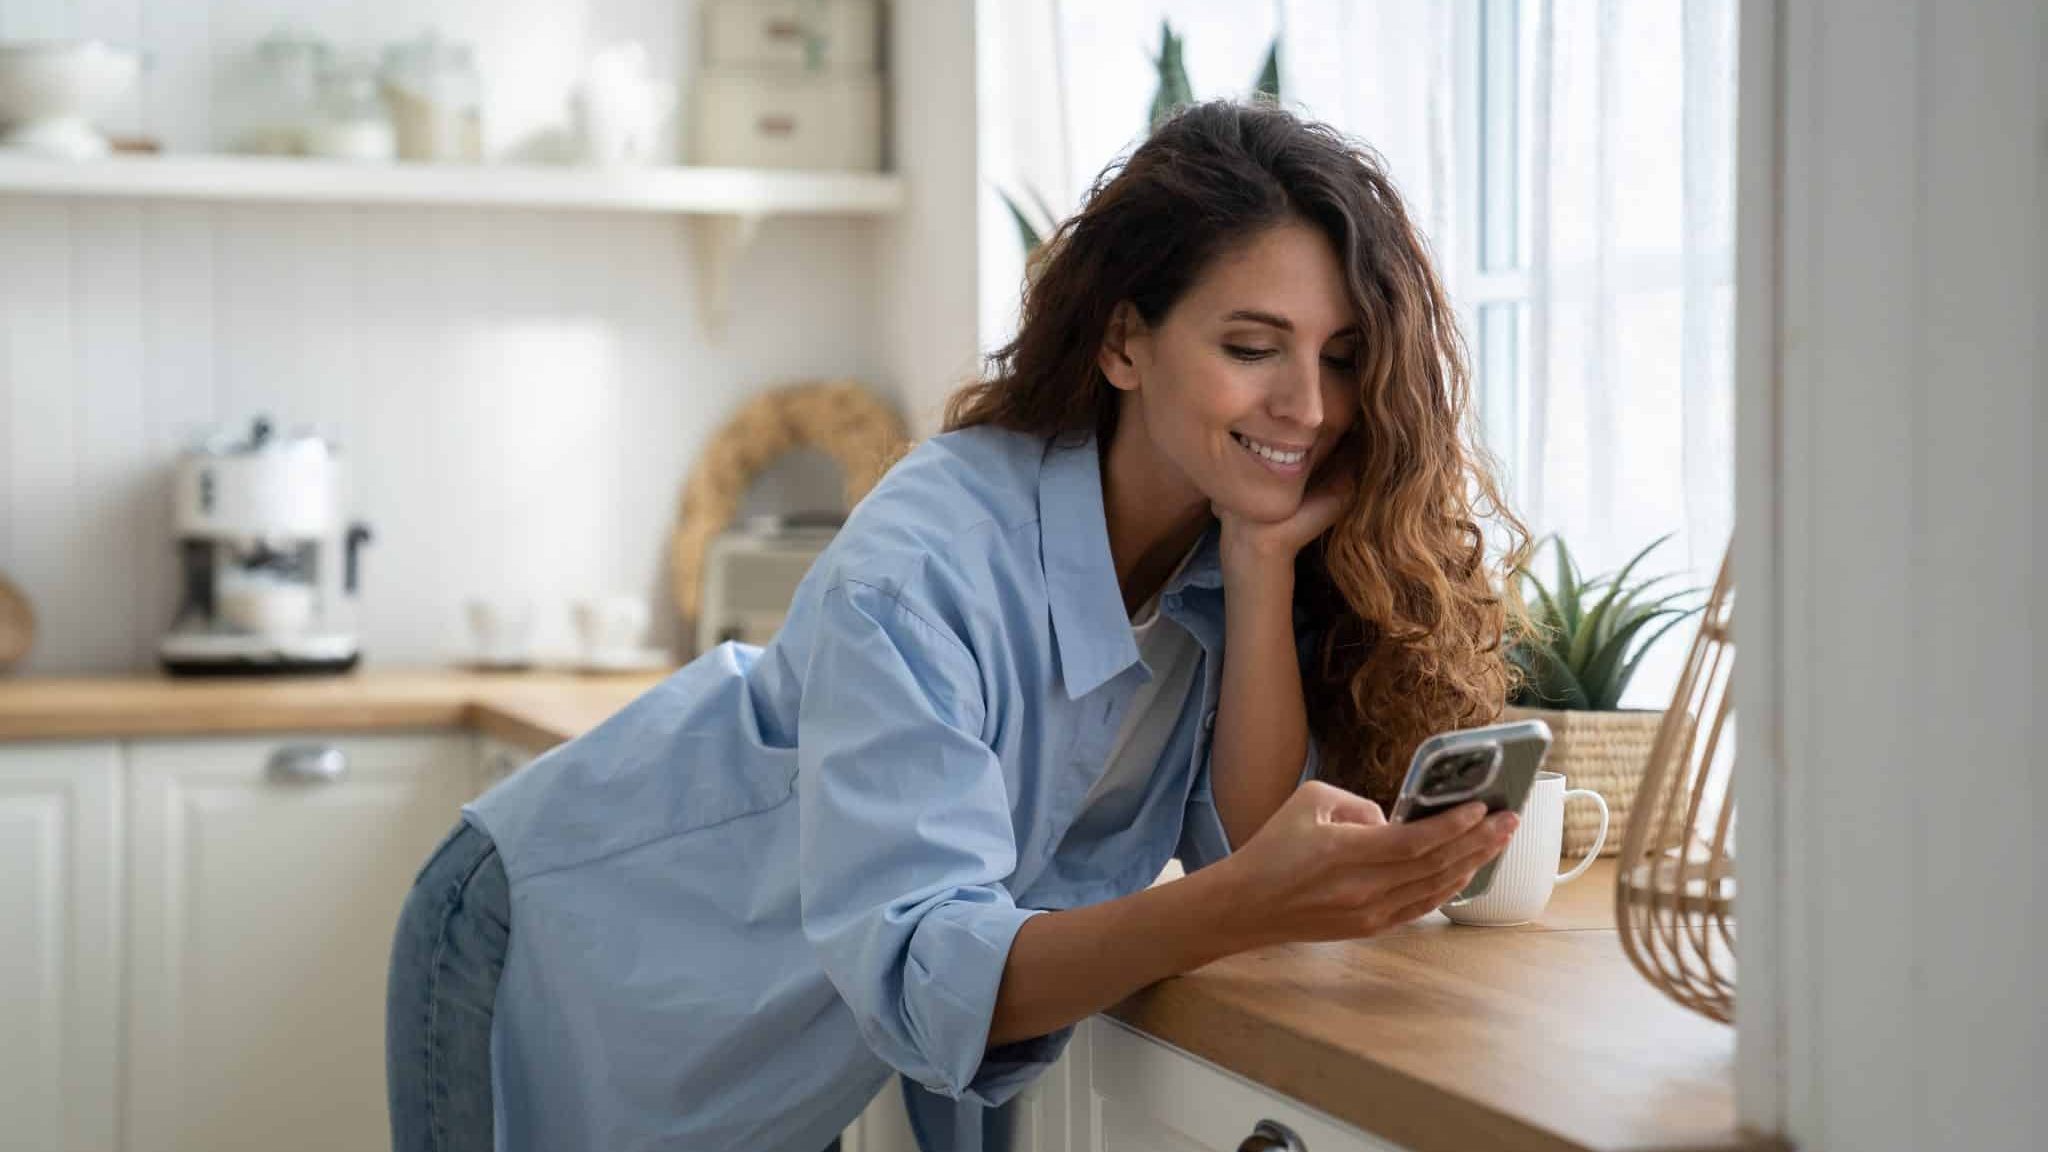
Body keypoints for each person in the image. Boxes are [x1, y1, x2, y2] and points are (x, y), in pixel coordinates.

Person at [386, 99, 1529, 1152]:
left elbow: (1250, 836)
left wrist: (1263, 558)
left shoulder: (1219, 550)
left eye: (1338, 358)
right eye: (1249, 347)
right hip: (567, 944)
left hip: (780, 1036)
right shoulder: (925, 560)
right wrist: (1230, 902)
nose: (1310, 407)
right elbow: (933, 962)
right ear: (1123, 342)